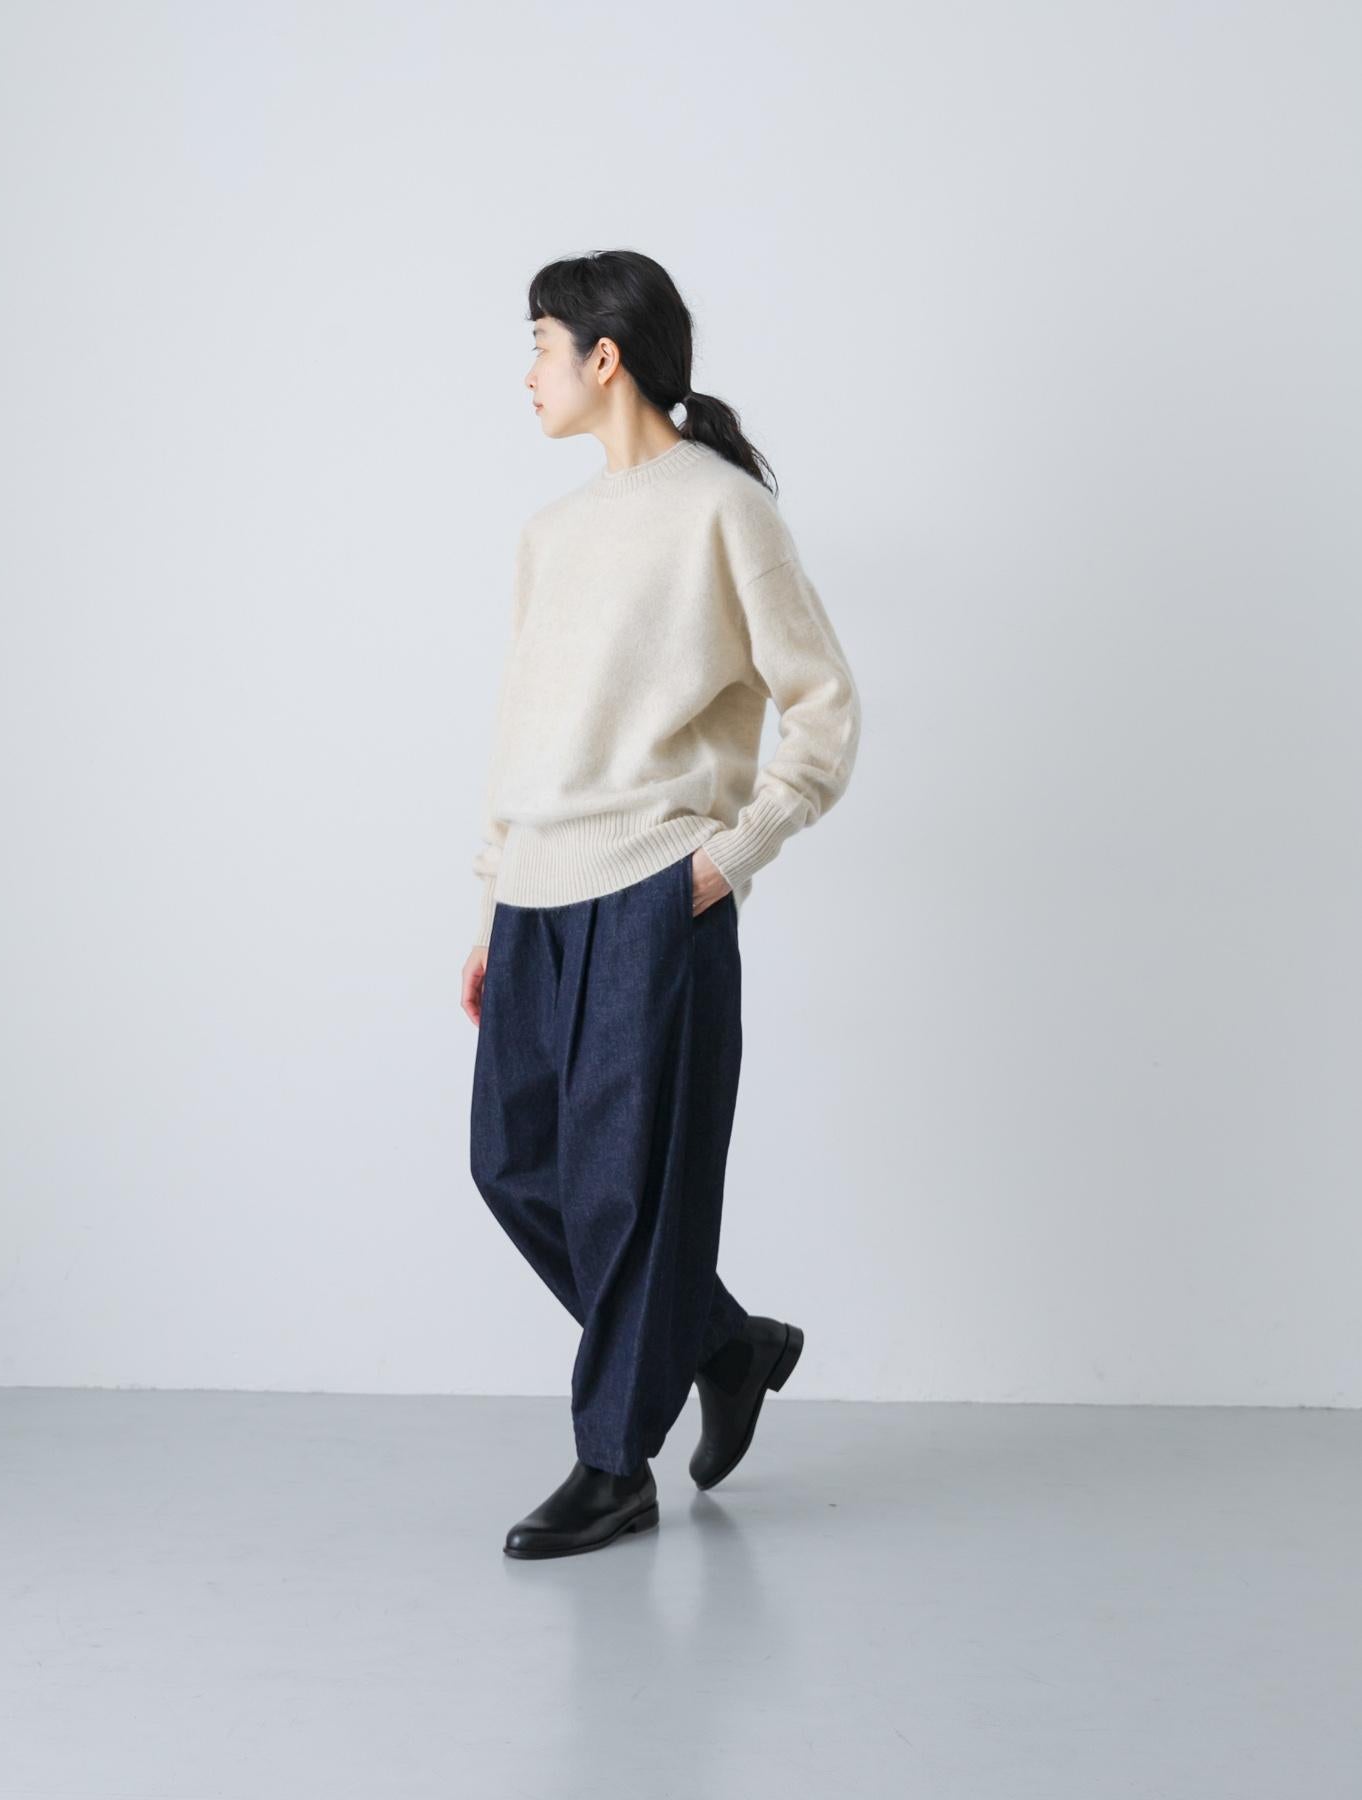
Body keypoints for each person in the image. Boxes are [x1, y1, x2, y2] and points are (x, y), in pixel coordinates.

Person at [462, 250, 861, 1559]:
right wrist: (492, 902)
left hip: (654, 888)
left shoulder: (722, 511)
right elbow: (524, 733)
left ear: (605, 356)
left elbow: (822, 707)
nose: (527, 373)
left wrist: (731, 856)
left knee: (628, 1193)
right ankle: (723, 1345)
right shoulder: (549, 535)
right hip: (537, 895)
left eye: (540, 345)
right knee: (515, 1166)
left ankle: (614, 1464)